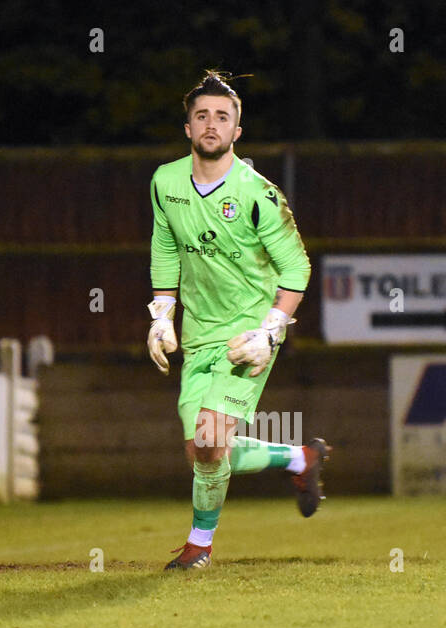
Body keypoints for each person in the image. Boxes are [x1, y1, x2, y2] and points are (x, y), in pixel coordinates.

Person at [147, 70, 329, 571]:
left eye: (222, 117)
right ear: (187, 128)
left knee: (209, 443)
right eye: (201, 116)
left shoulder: (258, 194)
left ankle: (198, 547)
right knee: (203, 450)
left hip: (246, 335)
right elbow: (166, 248)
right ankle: (300, 459)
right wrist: (162, 315)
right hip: (197, 335)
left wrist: (270, 332)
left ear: (236, 132)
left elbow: (297, 267)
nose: (211, 124)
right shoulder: (165, 183)